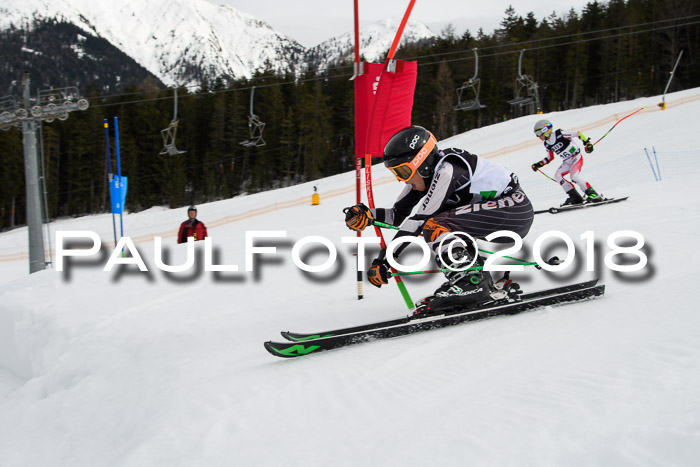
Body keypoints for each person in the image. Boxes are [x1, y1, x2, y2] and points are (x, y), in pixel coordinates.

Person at [344, 126, 534, 313]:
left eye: (402, 171)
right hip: (497, 214)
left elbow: (419, 220)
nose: (401, 180)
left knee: (435, 224)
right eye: (396, 173)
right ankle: (477, 280)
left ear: (422, 162)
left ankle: (469, 282)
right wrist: (368, 214)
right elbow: (396, 216)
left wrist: (385, 259)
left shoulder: (448, 170)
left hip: (515, 210)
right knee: (444, 223)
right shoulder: (424, 176)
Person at [531, 119, 603, 205]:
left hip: (575, 157)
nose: (538, 136)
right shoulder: (547, 143)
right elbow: (550, 158)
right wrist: (538, 164)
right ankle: (575, 197)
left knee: (574, 176)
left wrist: (587, 143)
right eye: (536, 134)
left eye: (539, 133)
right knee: (557, 176)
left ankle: (593, 194)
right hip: (567, 162)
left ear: (546, 130)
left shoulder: (560, 134)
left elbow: (577, 133)